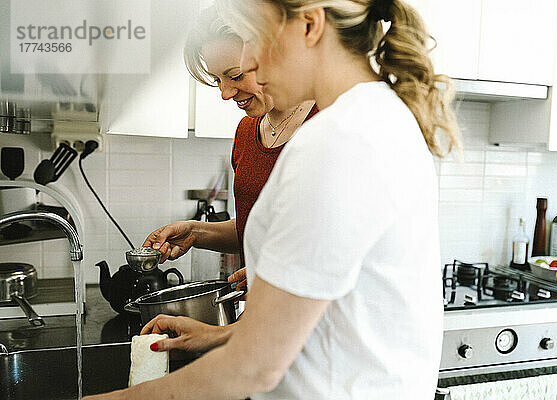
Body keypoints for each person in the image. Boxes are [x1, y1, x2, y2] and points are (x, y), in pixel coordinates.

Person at [83, 0, 460, 399]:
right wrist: (223, 335)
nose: (248, 61)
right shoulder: (372, 118)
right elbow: (328, 314)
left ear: (309, 26)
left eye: (252, 37)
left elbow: (253, 367)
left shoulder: (339, 140)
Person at [143, 6, 317, 293]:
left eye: (235, 76)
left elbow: (353, 243)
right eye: (217, 80)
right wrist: (195, 232)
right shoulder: (246, 132)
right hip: (261, 314)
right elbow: (255, 229)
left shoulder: (330, 123)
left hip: (320, 323)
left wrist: (281, 271)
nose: (225, 93)